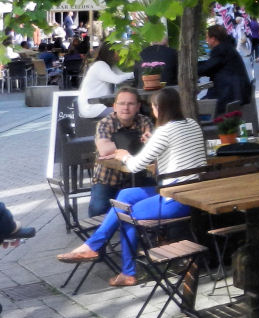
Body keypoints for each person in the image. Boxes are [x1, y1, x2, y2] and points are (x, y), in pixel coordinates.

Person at [56, 86, 207, 287]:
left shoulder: (163, 131)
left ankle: (123, 269)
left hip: (175, 198)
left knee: (125, 214)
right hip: (191, 190)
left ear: (157, 108)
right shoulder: (192, 124)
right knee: (126, 194)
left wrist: (123, 154)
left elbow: (135, 165)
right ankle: (94, 247)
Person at [89, 86, 156, 216]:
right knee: (97, 210)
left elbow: (151, 146)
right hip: (108, 179)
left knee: (153, 202)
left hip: (138, 176)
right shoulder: (105, 123)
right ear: (114, 106)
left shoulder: (144, 121)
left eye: (130, 104)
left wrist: (117, 148)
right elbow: (104, 150)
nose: (125, 108)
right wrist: (136, 143)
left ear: (138, 106)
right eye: (121, 103)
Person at [198, 23, 253, 107]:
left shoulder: (221, 50)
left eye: (207, 37)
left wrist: (191, 69)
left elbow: (207, 68)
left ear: (213, 39)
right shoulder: (227, 47)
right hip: (237, 93)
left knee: (197, 108)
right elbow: (212, 67)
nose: (206, 40)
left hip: (229, 96)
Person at [78, 42, 136, 119]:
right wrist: (135, 73)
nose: (119, 54)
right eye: (117, 51)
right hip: (93, 108)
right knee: (127, 112)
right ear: (110, 53)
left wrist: (133, 74)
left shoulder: (110, 65)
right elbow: (116, 80)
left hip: (99, 104)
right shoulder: (100, 65)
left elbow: (122, 75)